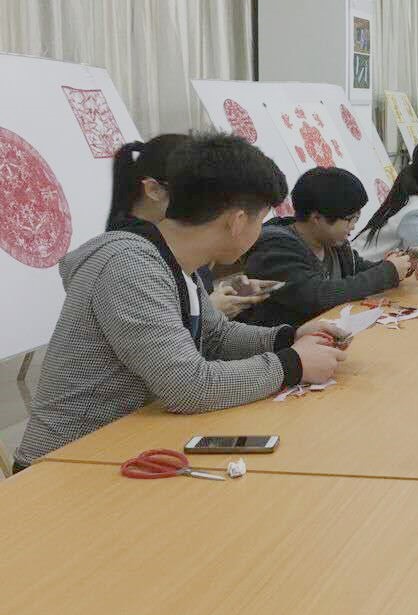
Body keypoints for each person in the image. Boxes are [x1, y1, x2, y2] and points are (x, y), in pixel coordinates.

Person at [14, 134, 345, 470]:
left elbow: (216, 337)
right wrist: (292, 364)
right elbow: (187, 385)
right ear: (237, 221)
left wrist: (289, 338)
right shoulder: (131, 265)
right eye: (260, 221)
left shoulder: (173, 261)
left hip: (128, 447)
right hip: (63, 465)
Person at [107, 136, 275, 318]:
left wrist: (225, 292)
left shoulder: (177, 249)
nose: (205, 205)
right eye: (191, 193)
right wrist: (208, 311)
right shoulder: (132, 261)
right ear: (153, 190)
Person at [238, 167, 414, 328]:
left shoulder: (332, 243)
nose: (353, 226)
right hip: (288, 344)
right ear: (317, 218)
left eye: (357, 218)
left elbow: (358, 269)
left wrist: (403, 263)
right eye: (350, 219)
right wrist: (388, 271)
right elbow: (319, 295)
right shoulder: (275, 249)